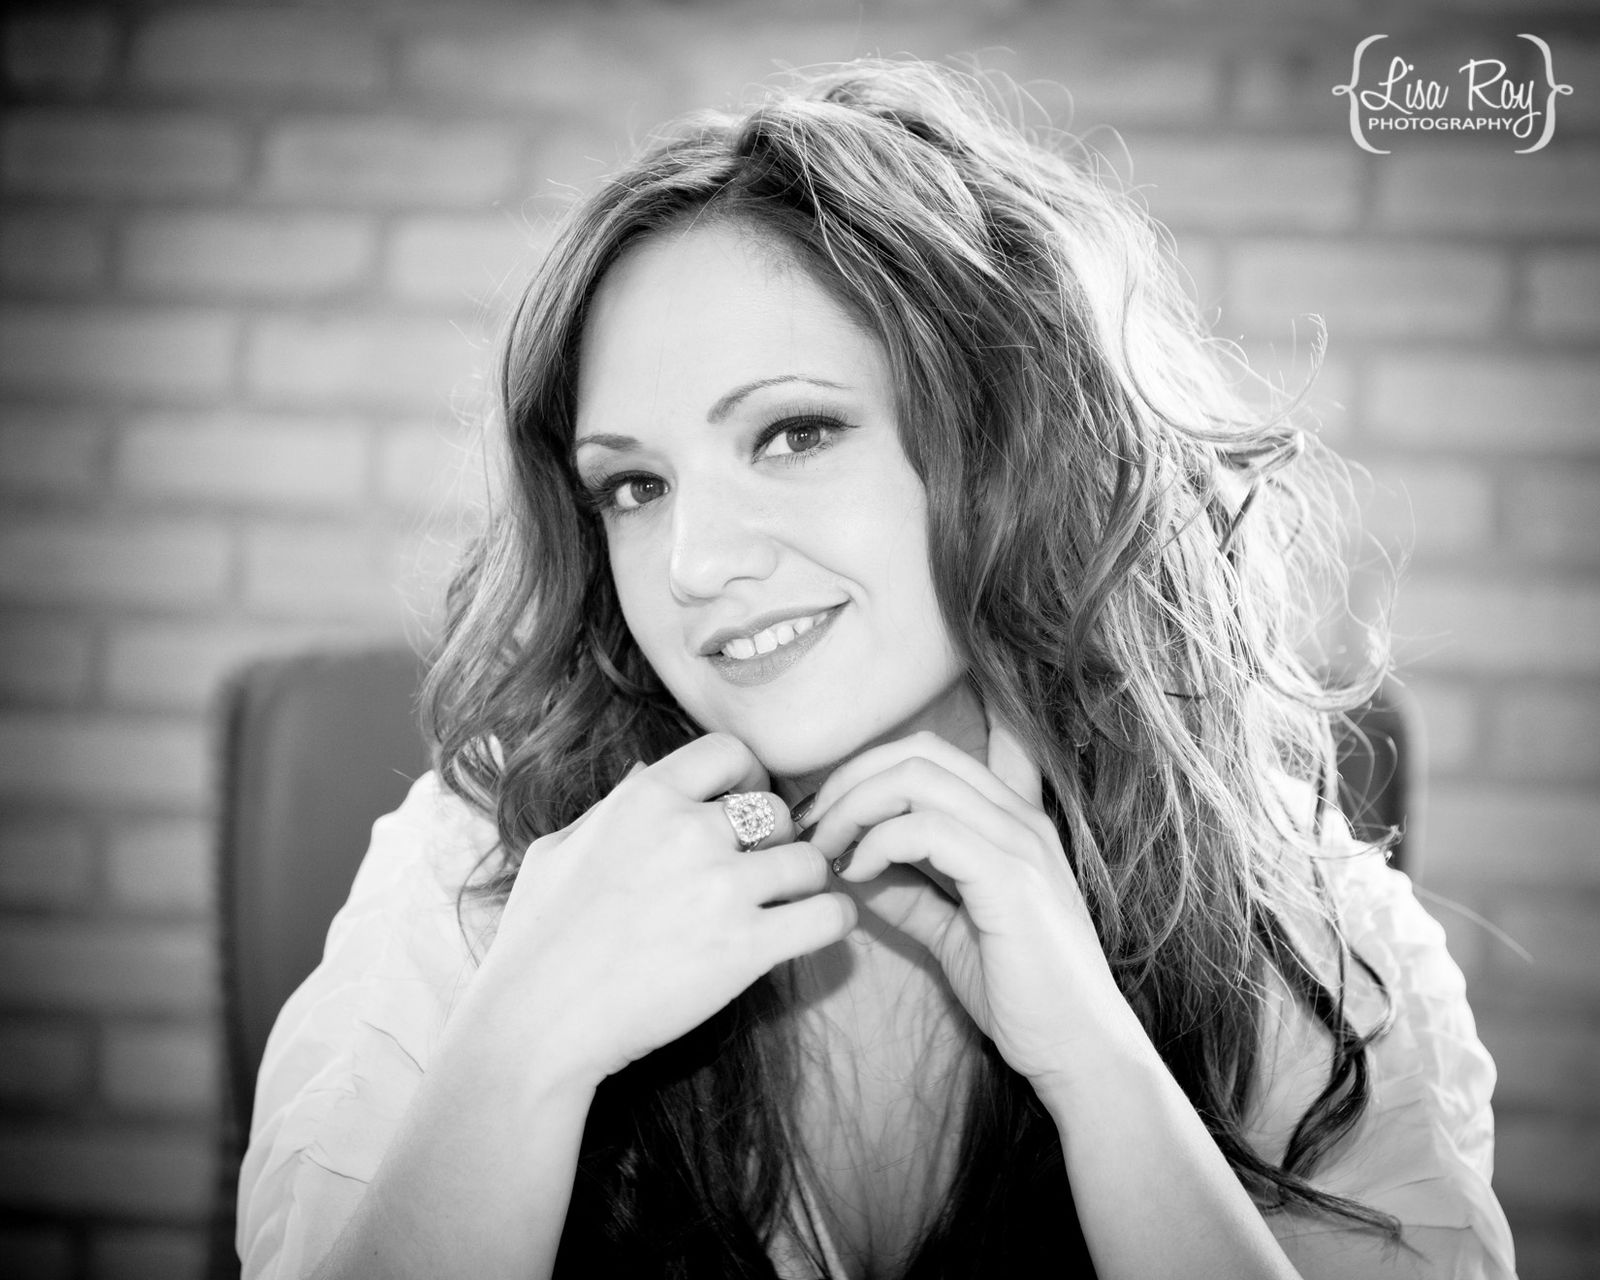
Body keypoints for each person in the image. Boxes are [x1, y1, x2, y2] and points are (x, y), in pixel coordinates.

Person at [237, 60, 1517, 1280]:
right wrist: (524, 1046)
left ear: (1011, 439)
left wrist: (1095, 1063)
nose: (692, 563)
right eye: (634, 485)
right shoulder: (481, 872)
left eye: (794, 432)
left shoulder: (1297, 929)